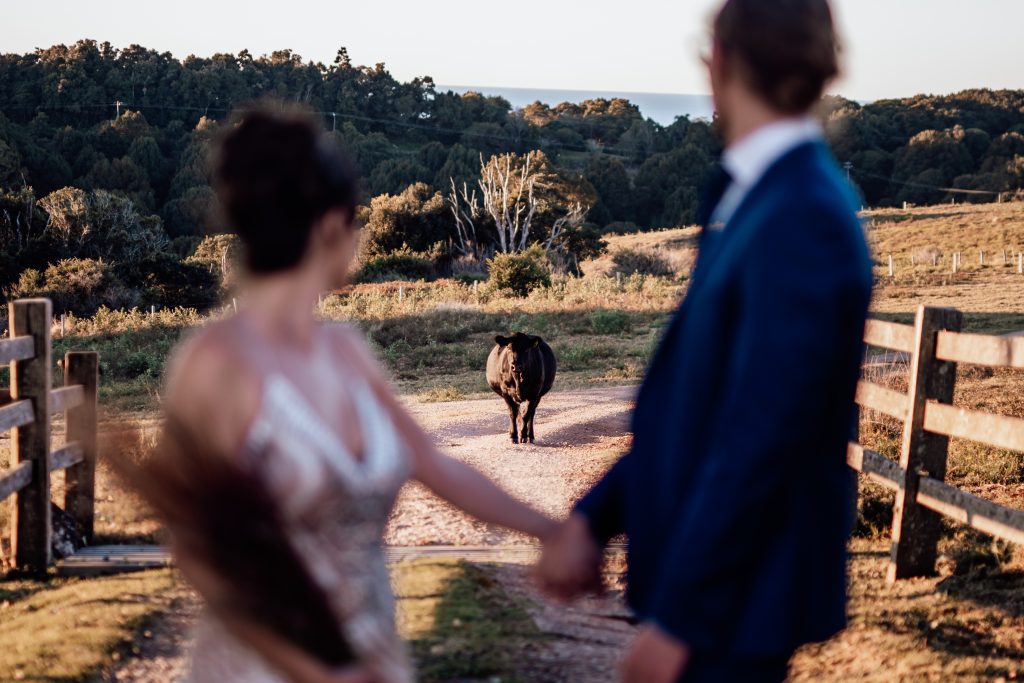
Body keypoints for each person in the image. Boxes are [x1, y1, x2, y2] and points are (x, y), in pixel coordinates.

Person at [152, 104, 557, 683]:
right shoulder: (216, 364)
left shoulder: (344, 349)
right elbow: (201, 557)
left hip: (372, 659)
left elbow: (434, 464)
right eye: (356, 221)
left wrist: (556, 531)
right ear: (327, 227)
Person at [536, 1, 873, 681]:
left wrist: (683, 621)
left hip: (734, 612)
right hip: (724, 604)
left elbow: (762, 435)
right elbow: (703, 405)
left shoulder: (799, 214)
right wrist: (595, 517)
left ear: (719, 61)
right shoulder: (756, 196)